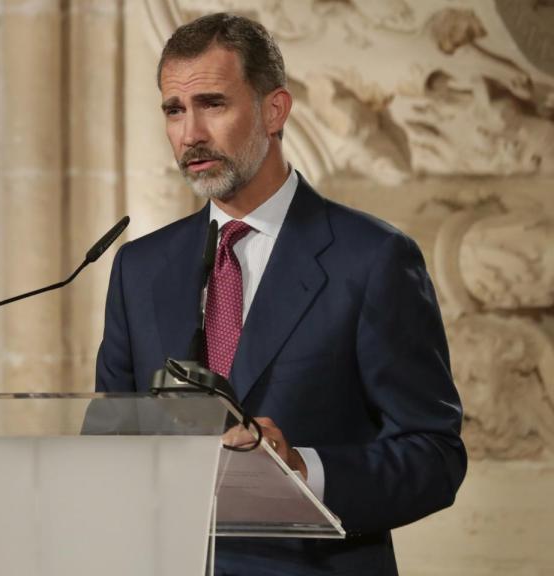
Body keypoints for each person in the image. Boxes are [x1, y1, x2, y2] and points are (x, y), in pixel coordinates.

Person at [95, 13, 466, 576]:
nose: (190, 133)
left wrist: (305, 471)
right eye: (174, 110)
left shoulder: (372, 259)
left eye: (212, 104)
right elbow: (110, 439)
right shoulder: (138, 268)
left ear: (275, 110)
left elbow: (435, 456)